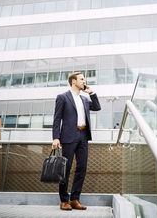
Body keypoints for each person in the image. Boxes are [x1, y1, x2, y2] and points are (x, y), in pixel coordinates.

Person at [52, 72, 101, 211]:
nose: (84, 81)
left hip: (83, 136)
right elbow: (56, 119)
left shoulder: (85, 99)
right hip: (68, 136)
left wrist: (91, 93)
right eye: (81, 79)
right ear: (73, 81)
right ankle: (64, 200)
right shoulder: (63, 97)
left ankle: (74, 199)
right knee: (65, 169)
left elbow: (97, 107)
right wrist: (56, 137)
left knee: (82, 168)